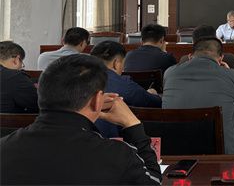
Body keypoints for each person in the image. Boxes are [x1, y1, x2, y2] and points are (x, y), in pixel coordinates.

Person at [0, 54, 161, 185]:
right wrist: (132, 124)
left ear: (41, 92)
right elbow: (153, 182)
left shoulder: (4, 147)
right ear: (98, 100)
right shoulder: (117, 155)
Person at [162, 37, 234, 154]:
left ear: (190, 56)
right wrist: (232, 76)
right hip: (224, 156)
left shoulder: (170, 73)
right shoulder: (233, 75)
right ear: (221, 58)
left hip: (175, 151)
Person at [90, 41, 162, 137]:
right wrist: (152, 93)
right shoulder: (124, 85)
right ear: (116, 63)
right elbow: (156, 103)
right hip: (111, 140)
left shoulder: (76, 79)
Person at [0, 41, 38, 113]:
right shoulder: (15, 77)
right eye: (22, 63)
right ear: (16, 60)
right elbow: (40, 103)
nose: (21, 67)